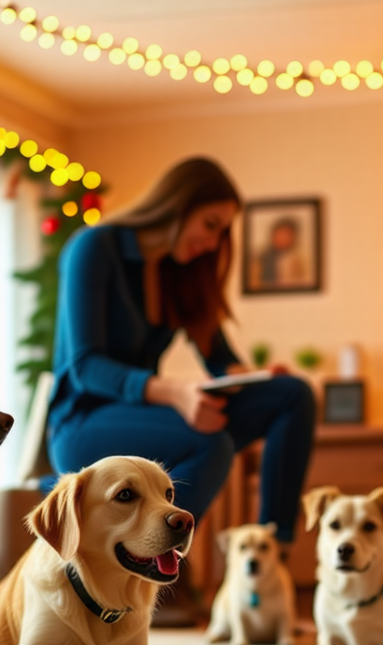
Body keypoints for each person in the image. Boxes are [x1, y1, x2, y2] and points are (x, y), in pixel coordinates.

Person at [47, 157, 316, 616]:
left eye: (221, 232)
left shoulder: (183, 271)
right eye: (210, 225)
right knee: (212, 443)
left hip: (147, 418)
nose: (213, 241)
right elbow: (85, 365)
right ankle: (157, 556)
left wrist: (255, 378)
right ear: (175, 206)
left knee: (294, 394)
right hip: (83, 422)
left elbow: (221, 363)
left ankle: (277, 547)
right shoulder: (94, 248)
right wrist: (175, 393)